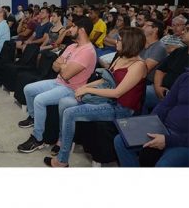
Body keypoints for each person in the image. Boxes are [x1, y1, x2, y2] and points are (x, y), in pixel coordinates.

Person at [44, 27, 147, 167]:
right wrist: (85, 87)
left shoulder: (139, 65)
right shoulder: (120, 57)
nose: (115, 42)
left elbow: (117, 92)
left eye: (119, 40)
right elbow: (106, 79)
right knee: (66, 103)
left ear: (129, 43)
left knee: (69, 113)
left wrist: (87, 89)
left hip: (121, 108)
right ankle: (62, 141)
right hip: (108, 100)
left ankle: (62, 160)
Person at [17, 17, 97, 153]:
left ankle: (38, 138)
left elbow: (66, 74)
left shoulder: (88, 51)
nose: (69, 29)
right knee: (28, 89)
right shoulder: (72, 46)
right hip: (58, 81)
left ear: (81, 30)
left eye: (73, 27)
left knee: (39, 100)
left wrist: (63, 66)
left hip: (71, 88)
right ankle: (33, 117)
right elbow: (55, 66)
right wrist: (64, 66)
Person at [114, 71, 189, 167]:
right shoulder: (185, 77)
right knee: (120, 141)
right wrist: (150, 123)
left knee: (164, 165)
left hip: (183, 141)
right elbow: (165, 104)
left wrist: (168, 140)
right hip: (165, 128)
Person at [142, 24, 189, 114]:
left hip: (178, 99)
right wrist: (157, 87)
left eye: (187, 30)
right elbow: (161, 70)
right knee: (136, 93)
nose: (183, 32)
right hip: (160, 90)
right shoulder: (179, 51)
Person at [140, 19, 167, 85]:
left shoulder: (159, 47)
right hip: (136, 77)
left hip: (147, 81)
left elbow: (144, 70)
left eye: (146, 25)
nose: (143, 28)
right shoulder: (141, 43)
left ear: (155, 29)